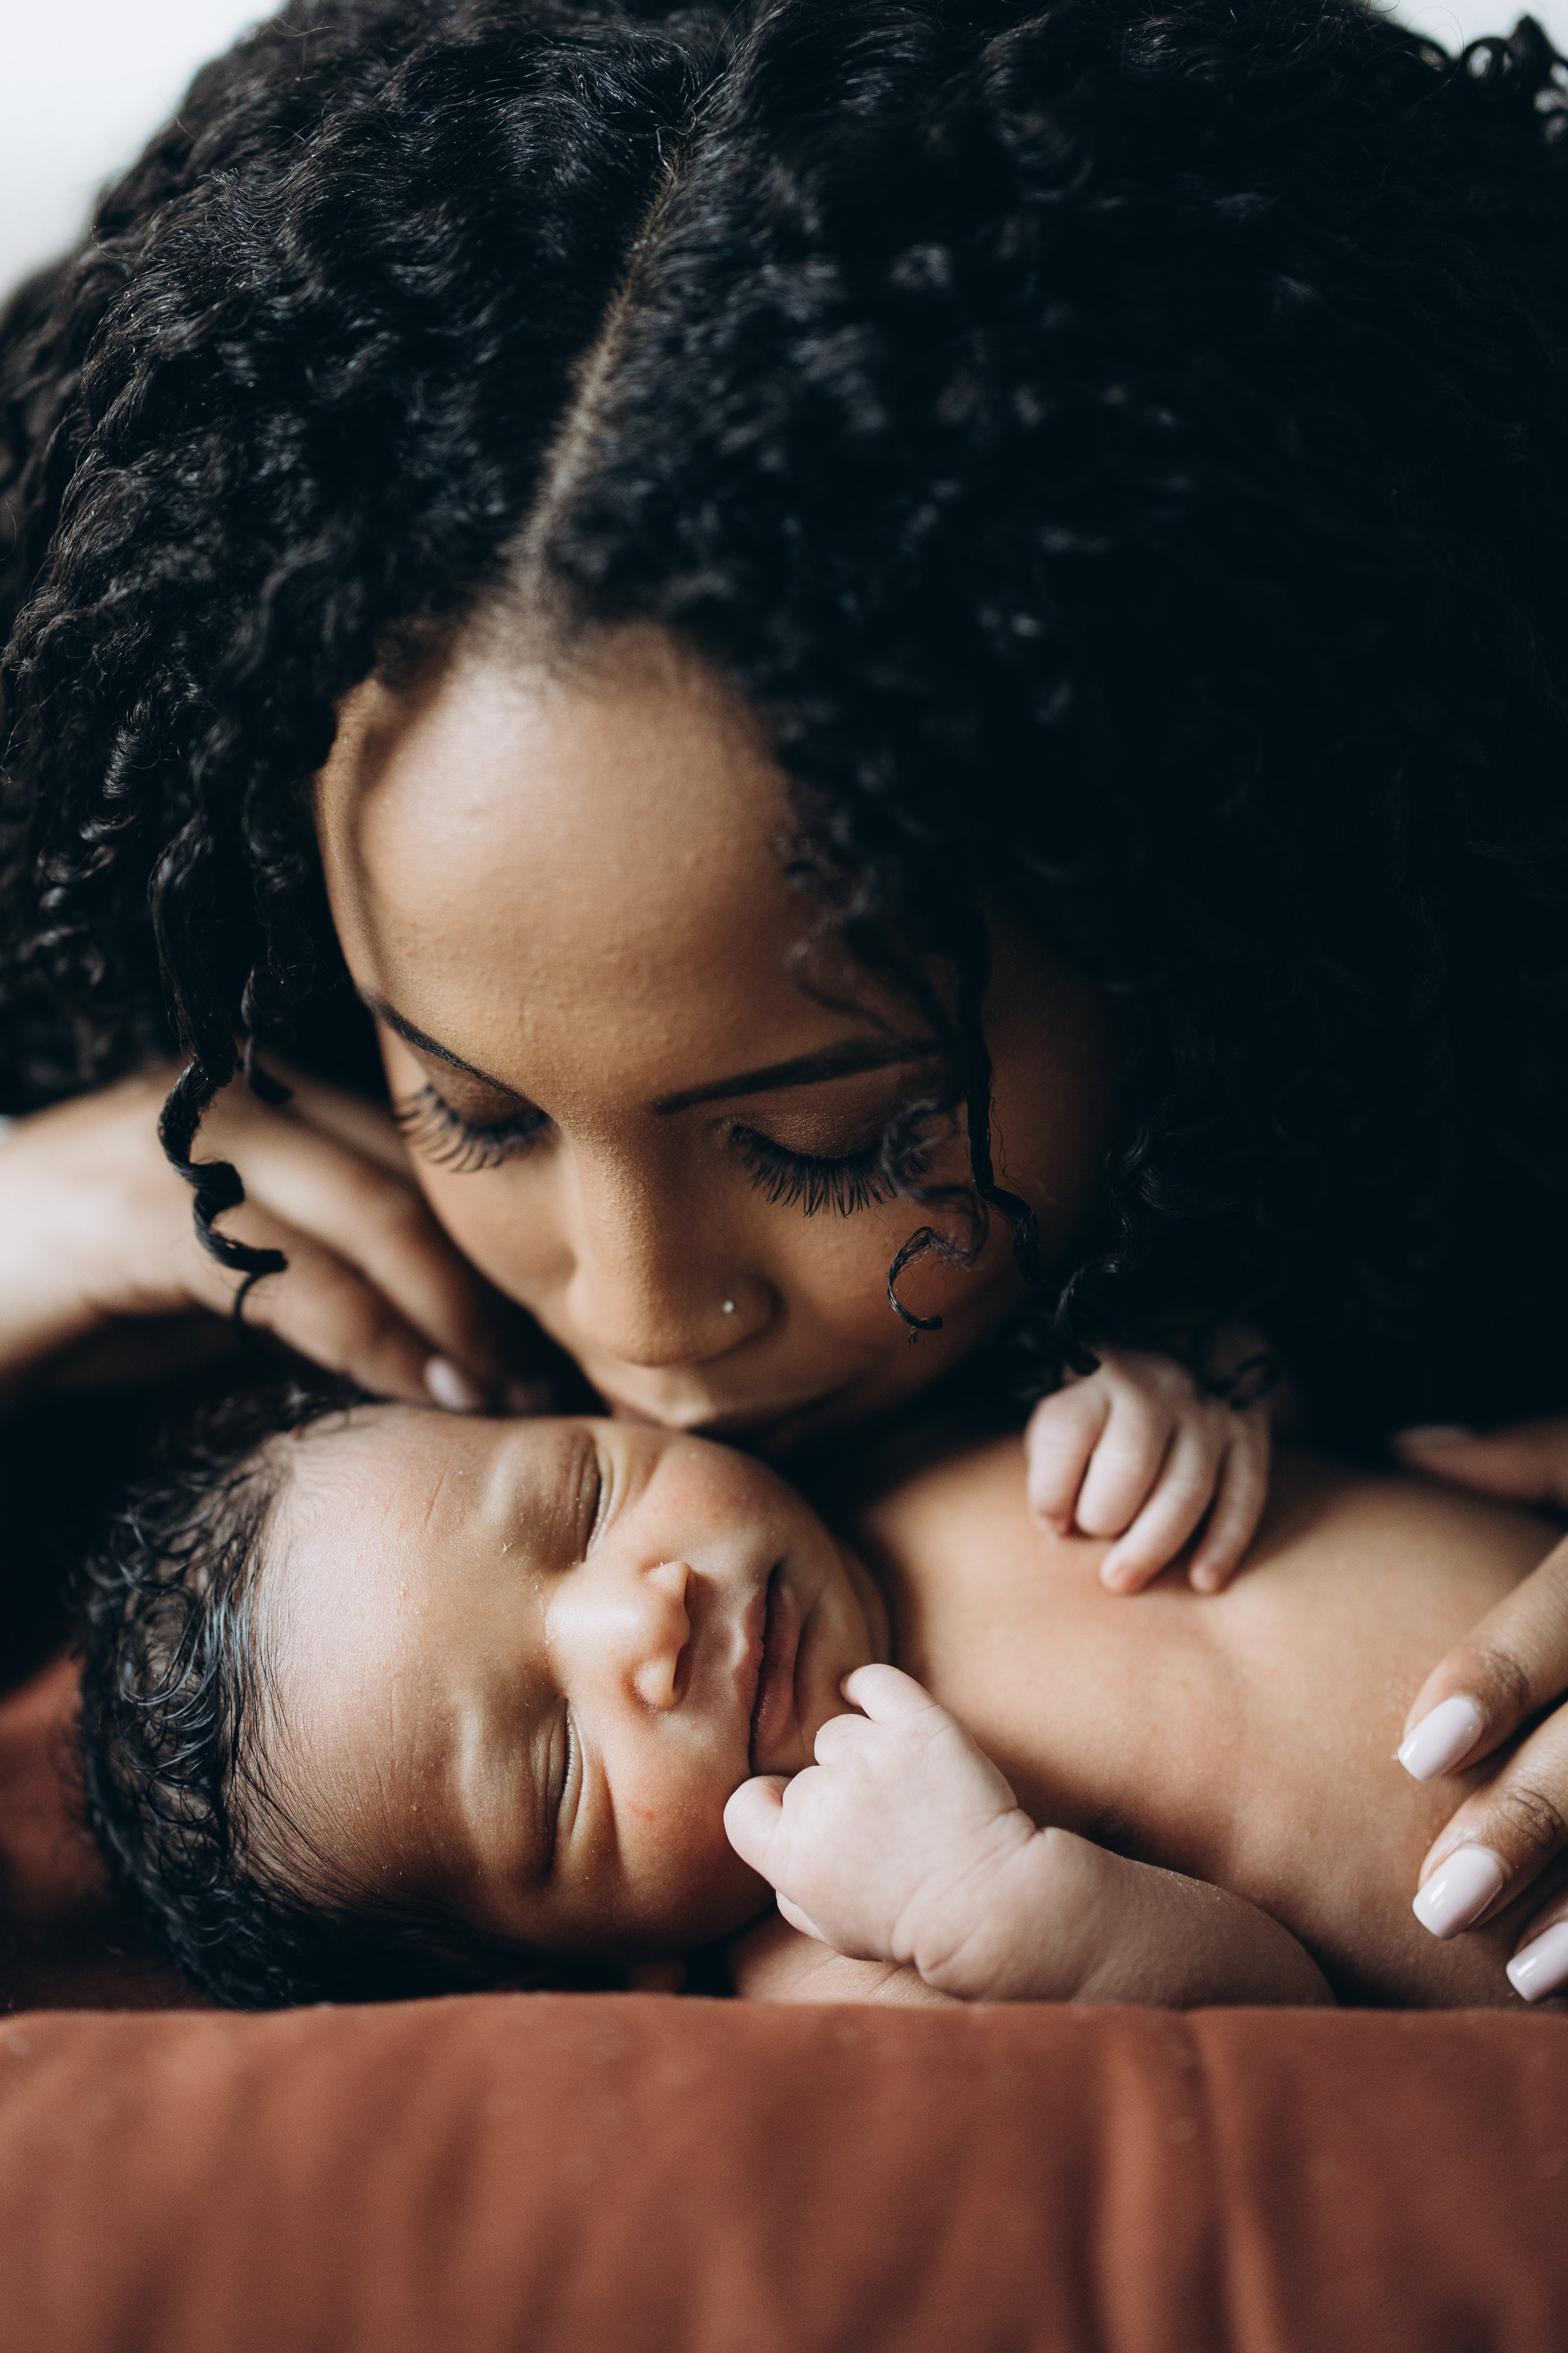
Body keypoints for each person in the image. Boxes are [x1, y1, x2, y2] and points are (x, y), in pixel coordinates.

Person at [9, 0, 1568, 1975]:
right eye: (471, 1106)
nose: (652, 1322)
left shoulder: (1442, 1111)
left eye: (837, 1134)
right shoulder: (287, 1382)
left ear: (1207, 913)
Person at [74, 1383, 1567, 2011]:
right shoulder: (841, 1954)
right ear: (585, 1976)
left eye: (584, 1497)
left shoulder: (898, 1430)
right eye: (554, 1770)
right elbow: (1277, 2050)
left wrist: (1180, 1408)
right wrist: (1009, 1909)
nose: (638, 1618)